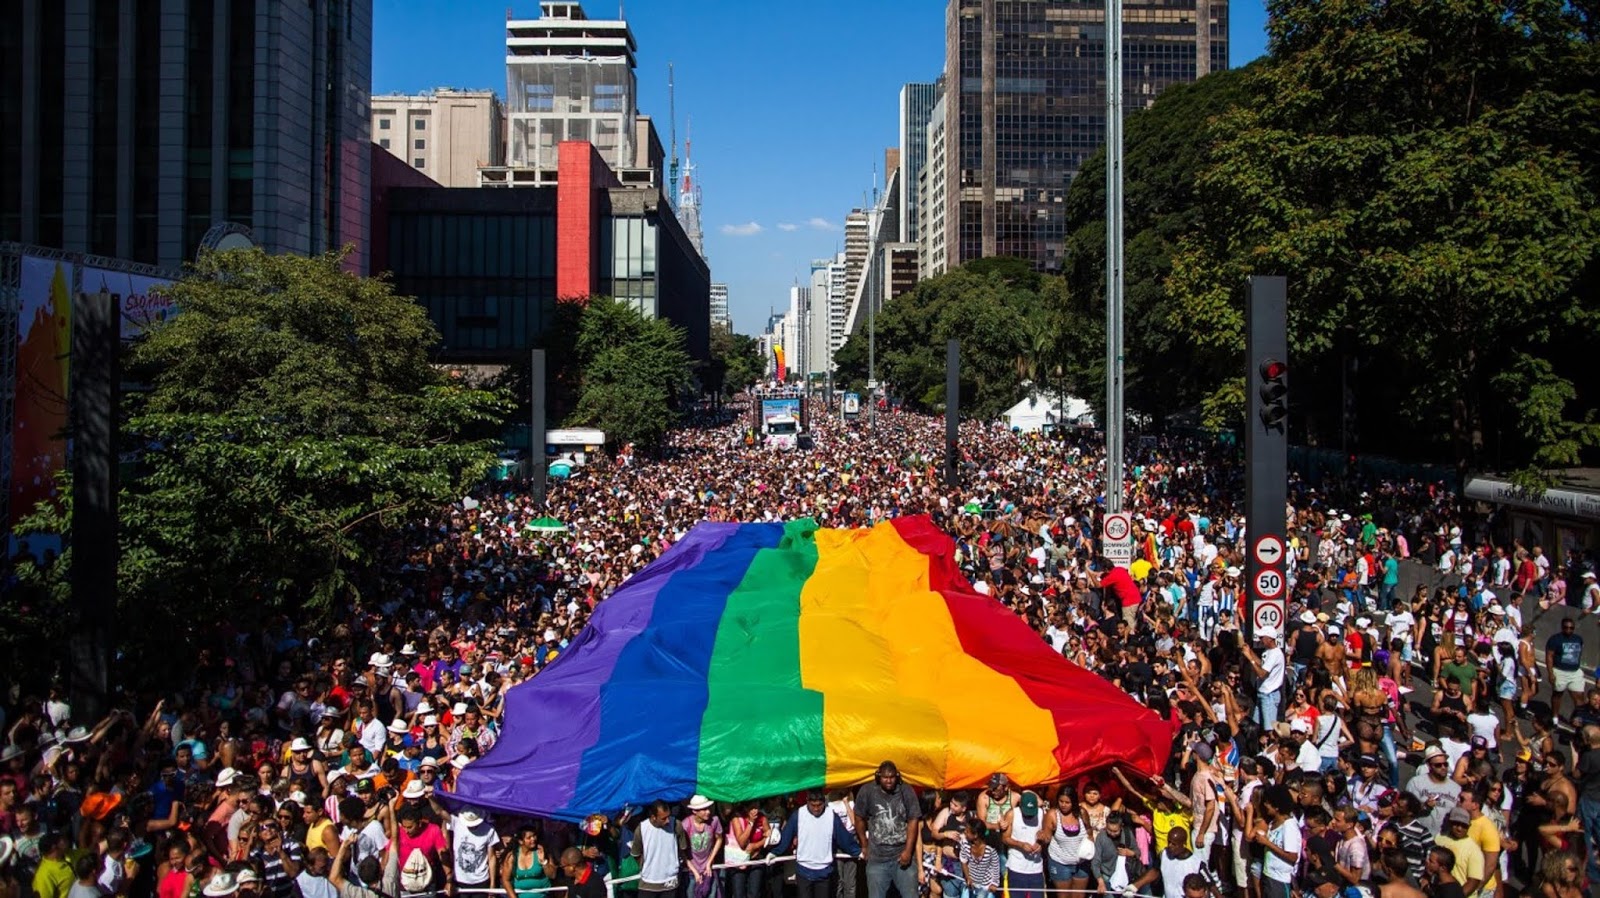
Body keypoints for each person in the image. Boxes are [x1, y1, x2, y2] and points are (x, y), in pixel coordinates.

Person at [771, 790, 862, 898]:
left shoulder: (831, 816)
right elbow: (786, 836)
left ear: (824, 802)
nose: (816, 808)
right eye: (813, 805)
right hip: (804, 871)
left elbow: (844, 839)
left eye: (819, 805)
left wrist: (858, 851)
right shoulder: (798, 815)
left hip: (824, 872)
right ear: (807, 802)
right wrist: (774, 853)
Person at [853, 761, 921, 898]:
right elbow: (858, 817)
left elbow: (914, 819)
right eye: (885, 777)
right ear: (879, 777)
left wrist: (908, 851)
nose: (889, 781)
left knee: (911, 895)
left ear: (897, 776)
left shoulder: (906, 790)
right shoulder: (867, 791)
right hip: (877, 857)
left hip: (902, 856)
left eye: (892, 777)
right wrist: (864, 845)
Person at [1253, 785, 1300, 898]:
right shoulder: (1273, 823)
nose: (1265, 805)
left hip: (1280, 880)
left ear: (1277, 806)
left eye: (1268, 803)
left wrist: (1267, 843)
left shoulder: (1289, 826)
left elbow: (1292, 856)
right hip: (1268, 875)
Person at [999, 792, 1046, 898]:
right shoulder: (1012, 814)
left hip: (1036, 868)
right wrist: (1020, 844)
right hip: (1017, 867)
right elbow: (1005, 838)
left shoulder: (1041, 813)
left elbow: (1046, 835)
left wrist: (1040, 843)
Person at [1431, 808, 1485, 898]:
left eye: (1464, 826)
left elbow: (1473, 881)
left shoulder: (1474, 850)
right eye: (1456, 824)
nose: (1459, 828)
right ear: (1450, 822)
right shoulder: (1440, 838)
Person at [1544, 617, 1585, 721]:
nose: (1568, 630)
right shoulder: (1555, 639)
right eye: (1566, 627)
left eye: (1571, 628)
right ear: (1562, 627)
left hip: (1575, 672)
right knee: (1558, 694)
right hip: (1559, 671)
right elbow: (1549, 656)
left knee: (1579, 696)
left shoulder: (1578, 639)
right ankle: (1555, 717)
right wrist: (1550, 673)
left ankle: (1579, 719)